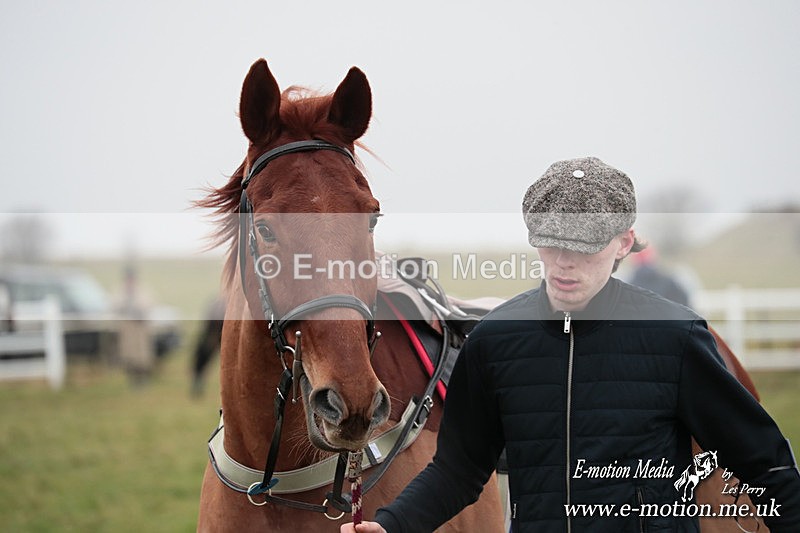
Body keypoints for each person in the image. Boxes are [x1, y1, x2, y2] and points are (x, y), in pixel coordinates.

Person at [342, 157, 800, 532]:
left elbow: (765, 464)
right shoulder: (494, 342)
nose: (564, 263)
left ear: (624, 243)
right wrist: (392, 526)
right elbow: (457, 471)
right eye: (551, 243)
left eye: (584, 248)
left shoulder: (676, 336)